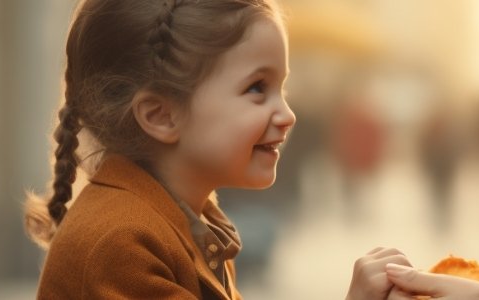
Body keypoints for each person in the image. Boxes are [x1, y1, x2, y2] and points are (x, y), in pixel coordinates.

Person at [22, 0, 410, 298]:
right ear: (161, 115)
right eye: (257, 87)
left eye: (282, 88)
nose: (288, 114)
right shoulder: (122, 243)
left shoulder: (191, 221)